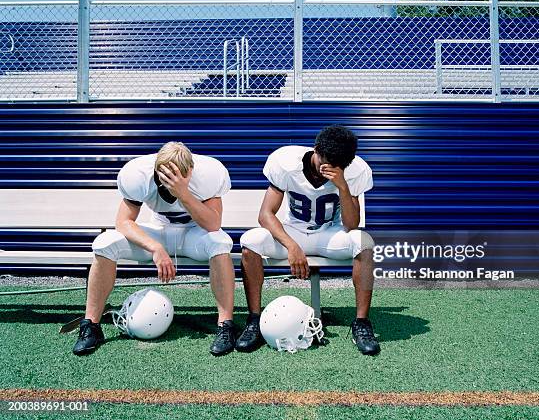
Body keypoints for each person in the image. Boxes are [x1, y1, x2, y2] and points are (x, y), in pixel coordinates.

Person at [73, 142, 237, 356]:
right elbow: (123, 222)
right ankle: (91, 325)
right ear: (156, 170)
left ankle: (225, 325)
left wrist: (183, 193)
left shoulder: (209, 173)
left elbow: (213, 224)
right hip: (157, 230)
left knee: (220, 242)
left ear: (190, 172)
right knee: (105, 244)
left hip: (194, 233)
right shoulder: (138, 174)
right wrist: (155, 247)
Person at [237, 125, 380, 355]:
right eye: (326, 161)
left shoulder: (353, 171)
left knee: (364, 242)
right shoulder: (286, 162)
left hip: (328, 235)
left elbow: (351, 225)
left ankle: (361, 323)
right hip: (293, 232)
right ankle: (254, 320)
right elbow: (265, 214)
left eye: (338, 165)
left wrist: (343, 185)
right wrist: (291, 245)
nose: (329, 168)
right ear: (316, 150)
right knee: (251, 241)